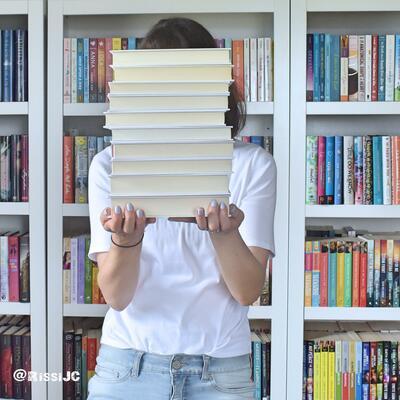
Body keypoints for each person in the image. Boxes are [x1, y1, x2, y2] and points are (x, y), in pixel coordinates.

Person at [87, 16, 276, 400]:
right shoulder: (109, 166)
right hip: (128, 366)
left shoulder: (252, 165)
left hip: (220, 372)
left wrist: (224, 234)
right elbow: (117, 297)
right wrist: (127, 241)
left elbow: (247, 292)